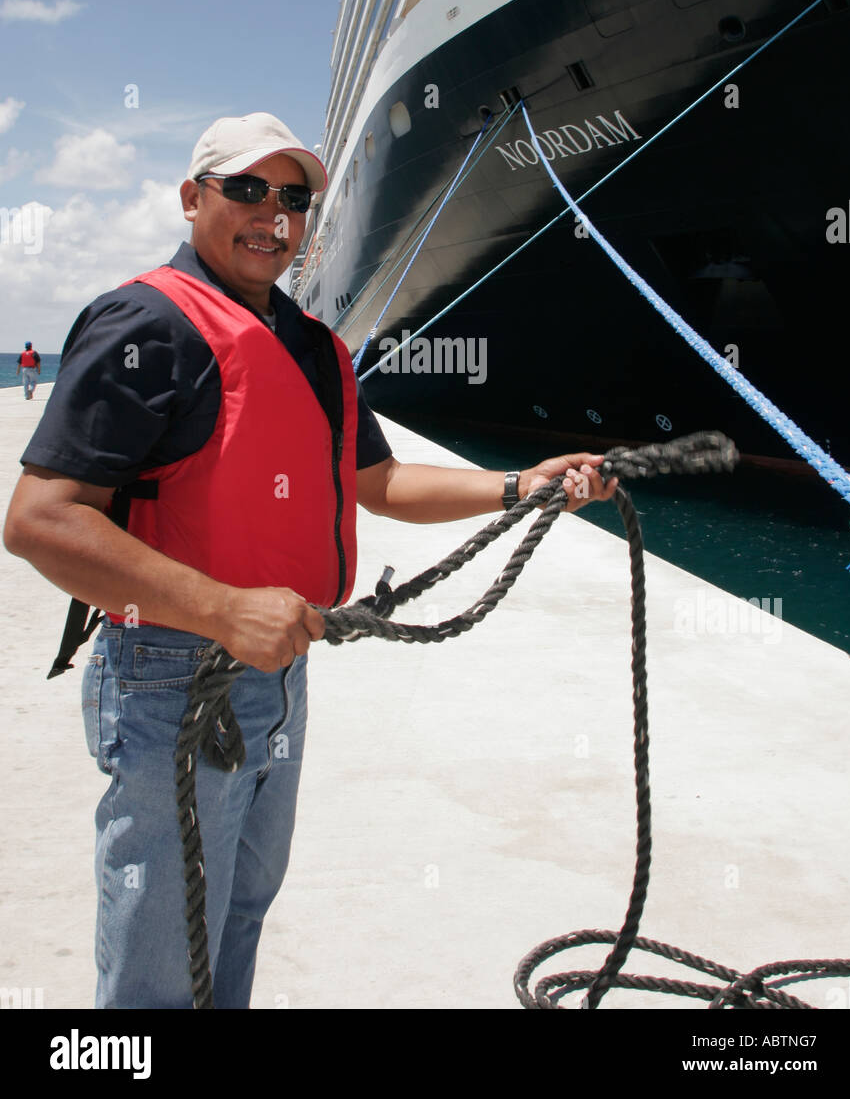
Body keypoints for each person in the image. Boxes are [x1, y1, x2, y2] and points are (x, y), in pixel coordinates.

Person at [3, 111, 618, 1010]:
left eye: (294, 198)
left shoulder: (311, 346)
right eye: (246, 188)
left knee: (238, 915)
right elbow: (40, 521)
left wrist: (519, 485)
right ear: (191, 197)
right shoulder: (146, 324)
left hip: (281, 674)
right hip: (171, 680)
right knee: (164, 962)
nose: (273, 214)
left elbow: (378, 480)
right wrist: (219, 609)